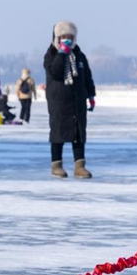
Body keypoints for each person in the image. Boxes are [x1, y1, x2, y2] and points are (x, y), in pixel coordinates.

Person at [44, 20, 96, 179]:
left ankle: (80, 166)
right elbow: (55, 72)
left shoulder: (80, 56)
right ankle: (56, 165)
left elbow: (87, 77)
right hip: (59, 102)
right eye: (63, 37)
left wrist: (91, 95)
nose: (67, 40)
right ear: (56, 38)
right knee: (58, 133)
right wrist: (62, 54)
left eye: (70, 37)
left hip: (77, 101)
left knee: (79, 134)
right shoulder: (51, 55)